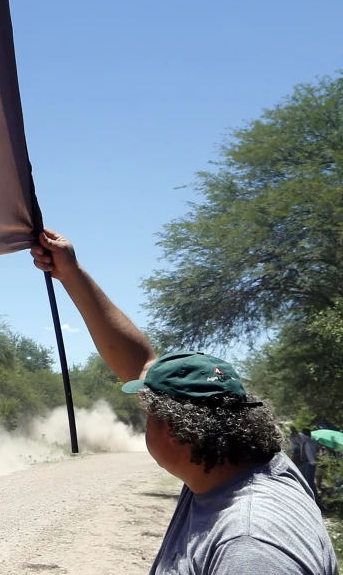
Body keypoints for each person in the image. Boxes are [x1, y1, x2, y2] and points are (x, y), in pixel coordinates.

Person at [32, 230, 336, 574]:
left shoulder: (249, 547)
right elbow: (141, 363)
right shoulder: (251, 462)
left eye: (148, 413)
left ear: (173, 429)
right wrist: (70, 273)